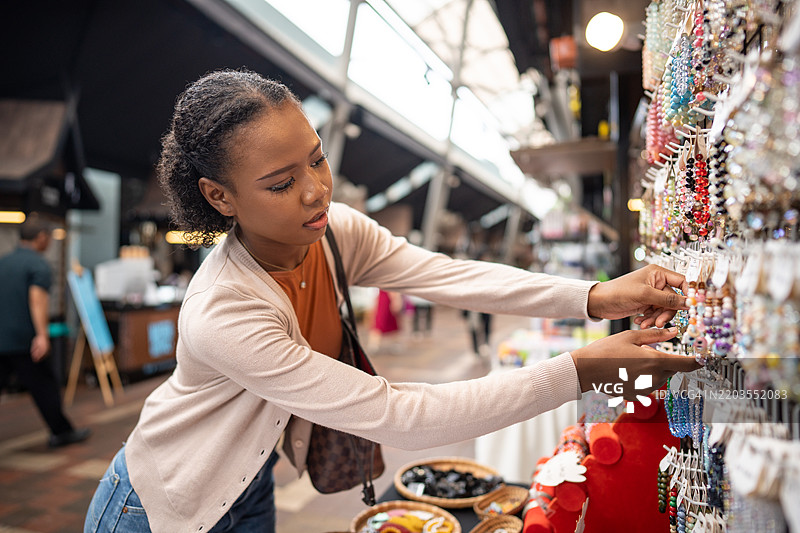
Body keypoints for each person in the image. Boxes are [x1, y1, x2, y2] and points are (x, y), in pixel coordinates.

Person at [84, 69, 698, 533]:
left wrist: (595, 296)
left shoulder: (333, 234)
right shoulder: (226, 309)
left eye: (317, 159)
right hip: (159, 503)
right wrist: (580, 371)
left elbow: (446, 275)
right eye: (281, 183)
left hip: (248, 483)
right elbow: (400, 415)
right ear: (219, 197)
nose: (314, 191)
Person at [0, 215, 91, 448]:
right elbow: (37, 301)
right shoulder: (38, 264)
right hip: (24, 340)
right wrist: (42, 335)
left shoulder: (4, 261)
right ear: (40, 238)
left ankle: (62, 430)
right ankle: (61, 432)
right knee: (45, 386)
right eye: (49, 237)